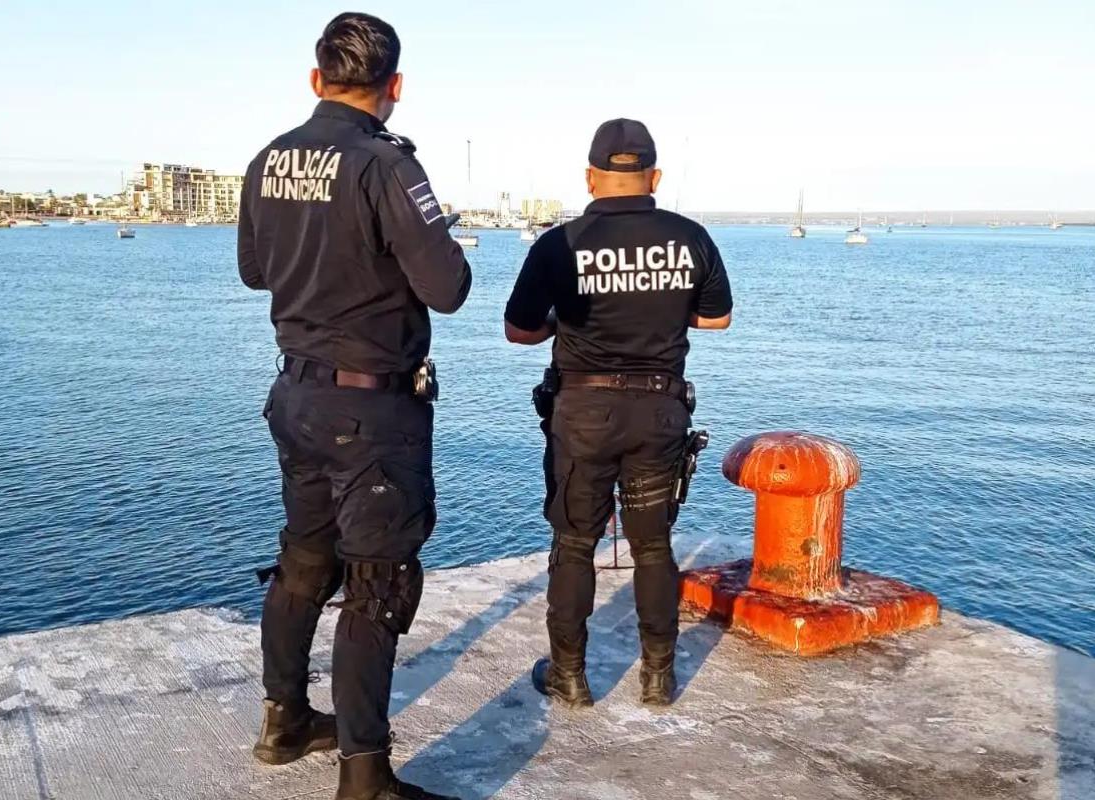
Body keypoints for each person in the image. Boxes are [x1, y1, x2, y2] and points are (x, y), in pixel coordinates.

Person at [237, 13, 471, 800]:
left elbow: (253, 271)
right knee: (378, 580)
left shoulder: (268, 160)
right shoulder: (385, 164)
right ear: (394, 88)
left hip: (295, 395)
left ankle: (284, 720)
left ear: (316, 80)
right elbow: (450, 289)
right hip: (371, 410)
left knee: (304, 558)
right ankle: (364, 777)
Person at [504, 119, 732, 708]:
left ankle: (570, 676)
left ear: (591, 176)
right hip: (660, 408)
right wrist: (658, 315)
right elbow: (718, 317)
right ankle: (658, 676)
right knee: (653, 545)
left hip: (584, 410)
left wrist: (564, 325)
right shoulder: (690, 237)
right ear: (654, 176)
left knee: (575, 544)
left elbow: (519, 330)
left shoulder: (560, 242)